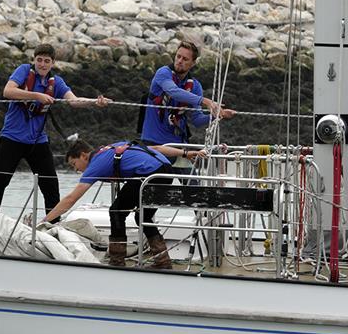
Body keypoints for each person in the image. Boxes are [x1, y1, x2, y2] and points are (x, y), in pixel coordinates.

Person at [0, 43, 109, 217]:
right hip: (12, 138)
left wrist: (94, 102)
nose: (42, 64)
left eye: (47, 61)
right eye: (39, 60)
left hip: (37, 141)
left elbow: (73, 101)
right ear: (34, 60)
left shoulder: (56, 82)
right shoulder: (23, 70)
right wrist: (37, 96)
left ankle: (52, 224)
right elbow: (8, 91)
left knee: (50, 184)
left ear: (53, 63)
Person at [43, 138, 206, 268]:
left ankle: (117, 261)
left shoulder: (96, 164)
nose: (76, 170)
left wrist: (46, 221)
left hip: (149, 174)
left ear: (84, 155)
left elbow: (71, 199)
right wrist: (184, 153)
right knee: (144, 216)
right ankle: (162, 261)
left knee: (116, 212)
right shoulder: (112, 148)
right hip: (165, 171)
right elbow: (156, 149)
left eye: (74, 164)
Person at [140, 40, 235, 176]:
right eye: (178, 56)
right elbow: (173, 91)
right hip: (155, 145)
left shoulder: (195, 86)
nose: (179, 61)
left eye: (185, 59)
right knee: (153, 186)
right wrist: (205, 101)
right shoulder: (163, 73)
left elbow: (197, 119)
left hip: (180, 147)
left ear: (193, 63)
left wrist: (218, 115)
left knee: (193, 186)